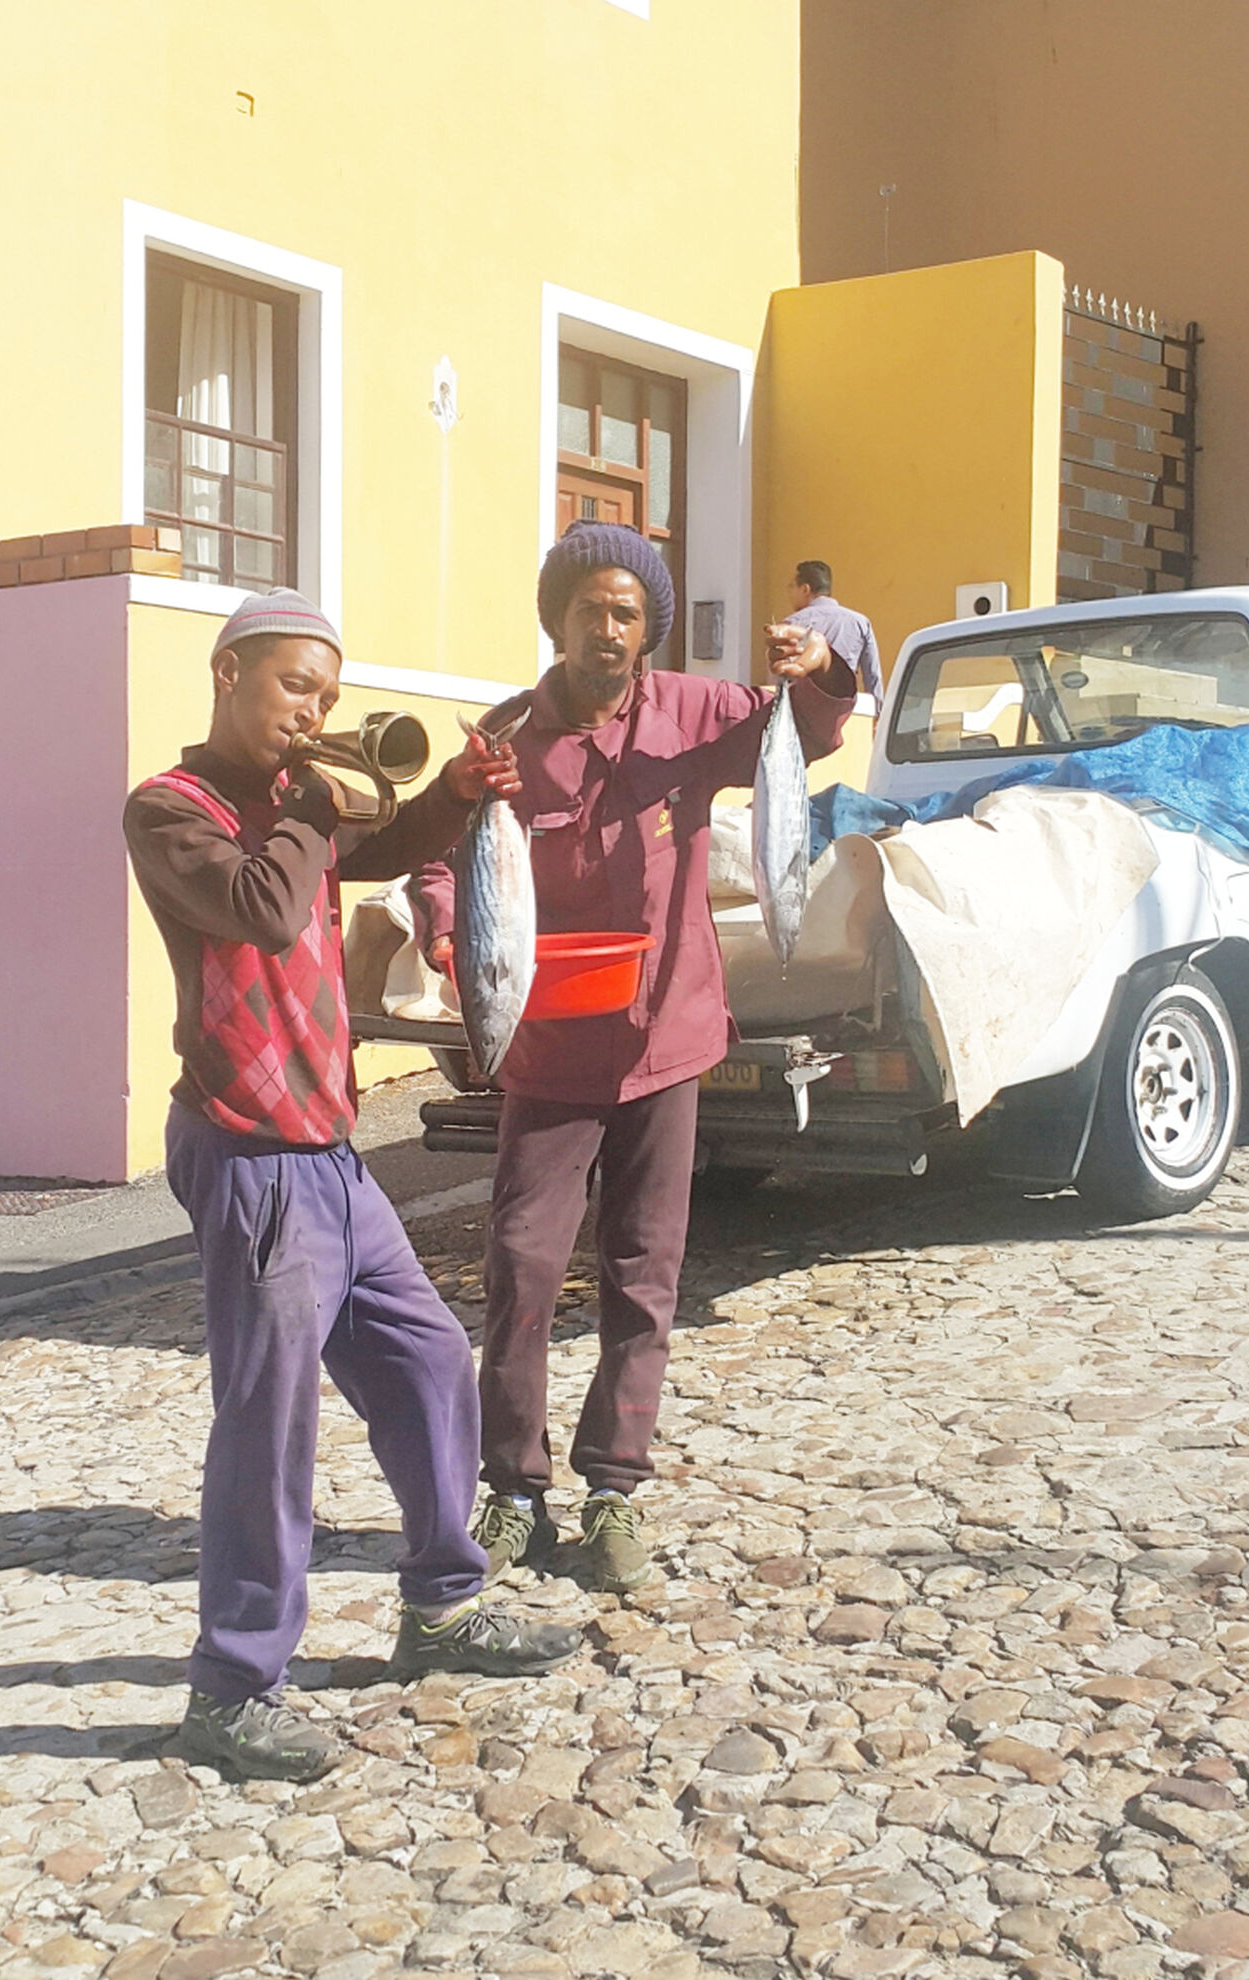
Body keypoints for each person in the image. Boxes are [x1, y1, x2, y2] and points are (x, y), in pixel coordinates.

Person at [124, 587, 582, 1784]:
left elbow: (377, 848)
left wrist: (456, 795)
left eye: (325, 693)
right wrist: (315, 807)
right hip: (250, 1154)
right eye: (294, 686)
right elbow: (265, 910)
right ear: (226, 675)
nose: (313, 710)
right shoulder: (169, 809)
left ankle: (440, 1606)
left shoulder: (295, 805)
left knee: (426, 1361)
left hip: (328, 1153)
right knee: (268, 1423)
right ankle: (233, 1687)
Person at [410, 524, 855, 1591]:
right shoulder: (506, 739)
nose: (605, 630)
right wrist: (446, 929)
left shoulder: (696, 713)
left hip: (666, 1039)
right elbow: (440, 852)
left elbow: (808, 734)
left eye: (625, 613)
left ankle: (614, 1486)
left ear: (646, 627)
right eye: (587, 610)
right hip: (549, 1047)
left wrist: (818, 667)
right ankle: (513, 1488)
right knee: (519, 1264)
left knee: (642, 1272)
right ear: (556, 621)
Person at [787, 559, 882, 708]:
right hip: (845, 710)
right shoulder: (860, 622)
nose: (789, 593)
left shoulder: (792, 625)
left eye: (792, 586)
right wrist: (878, 713)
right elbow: (873, 676)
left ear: (805, 589)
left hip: (802, 711)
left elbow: (781, 677)